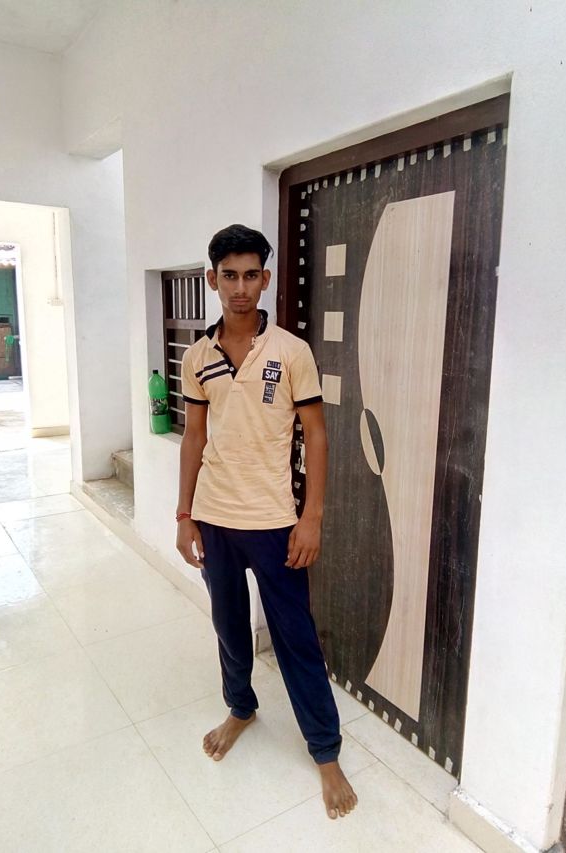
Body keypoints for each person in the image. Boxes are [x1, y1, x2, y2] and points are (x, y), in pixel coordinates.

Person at [176, 223, 357, 819]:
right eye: (229, 276)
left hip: (276, 522)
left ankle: (325, 751)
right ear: (212, 280)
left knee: (295, 638)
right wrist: (184, 515)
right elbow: (194, 437)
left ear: (266, 279)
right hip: (214, 519)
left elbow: (317, 434)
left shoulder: (291, 351)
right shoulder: (198, 357)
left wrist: (312, 517)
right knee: (229, 628)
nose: (240, 287)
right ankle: (241, 708)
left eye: (251, 275)